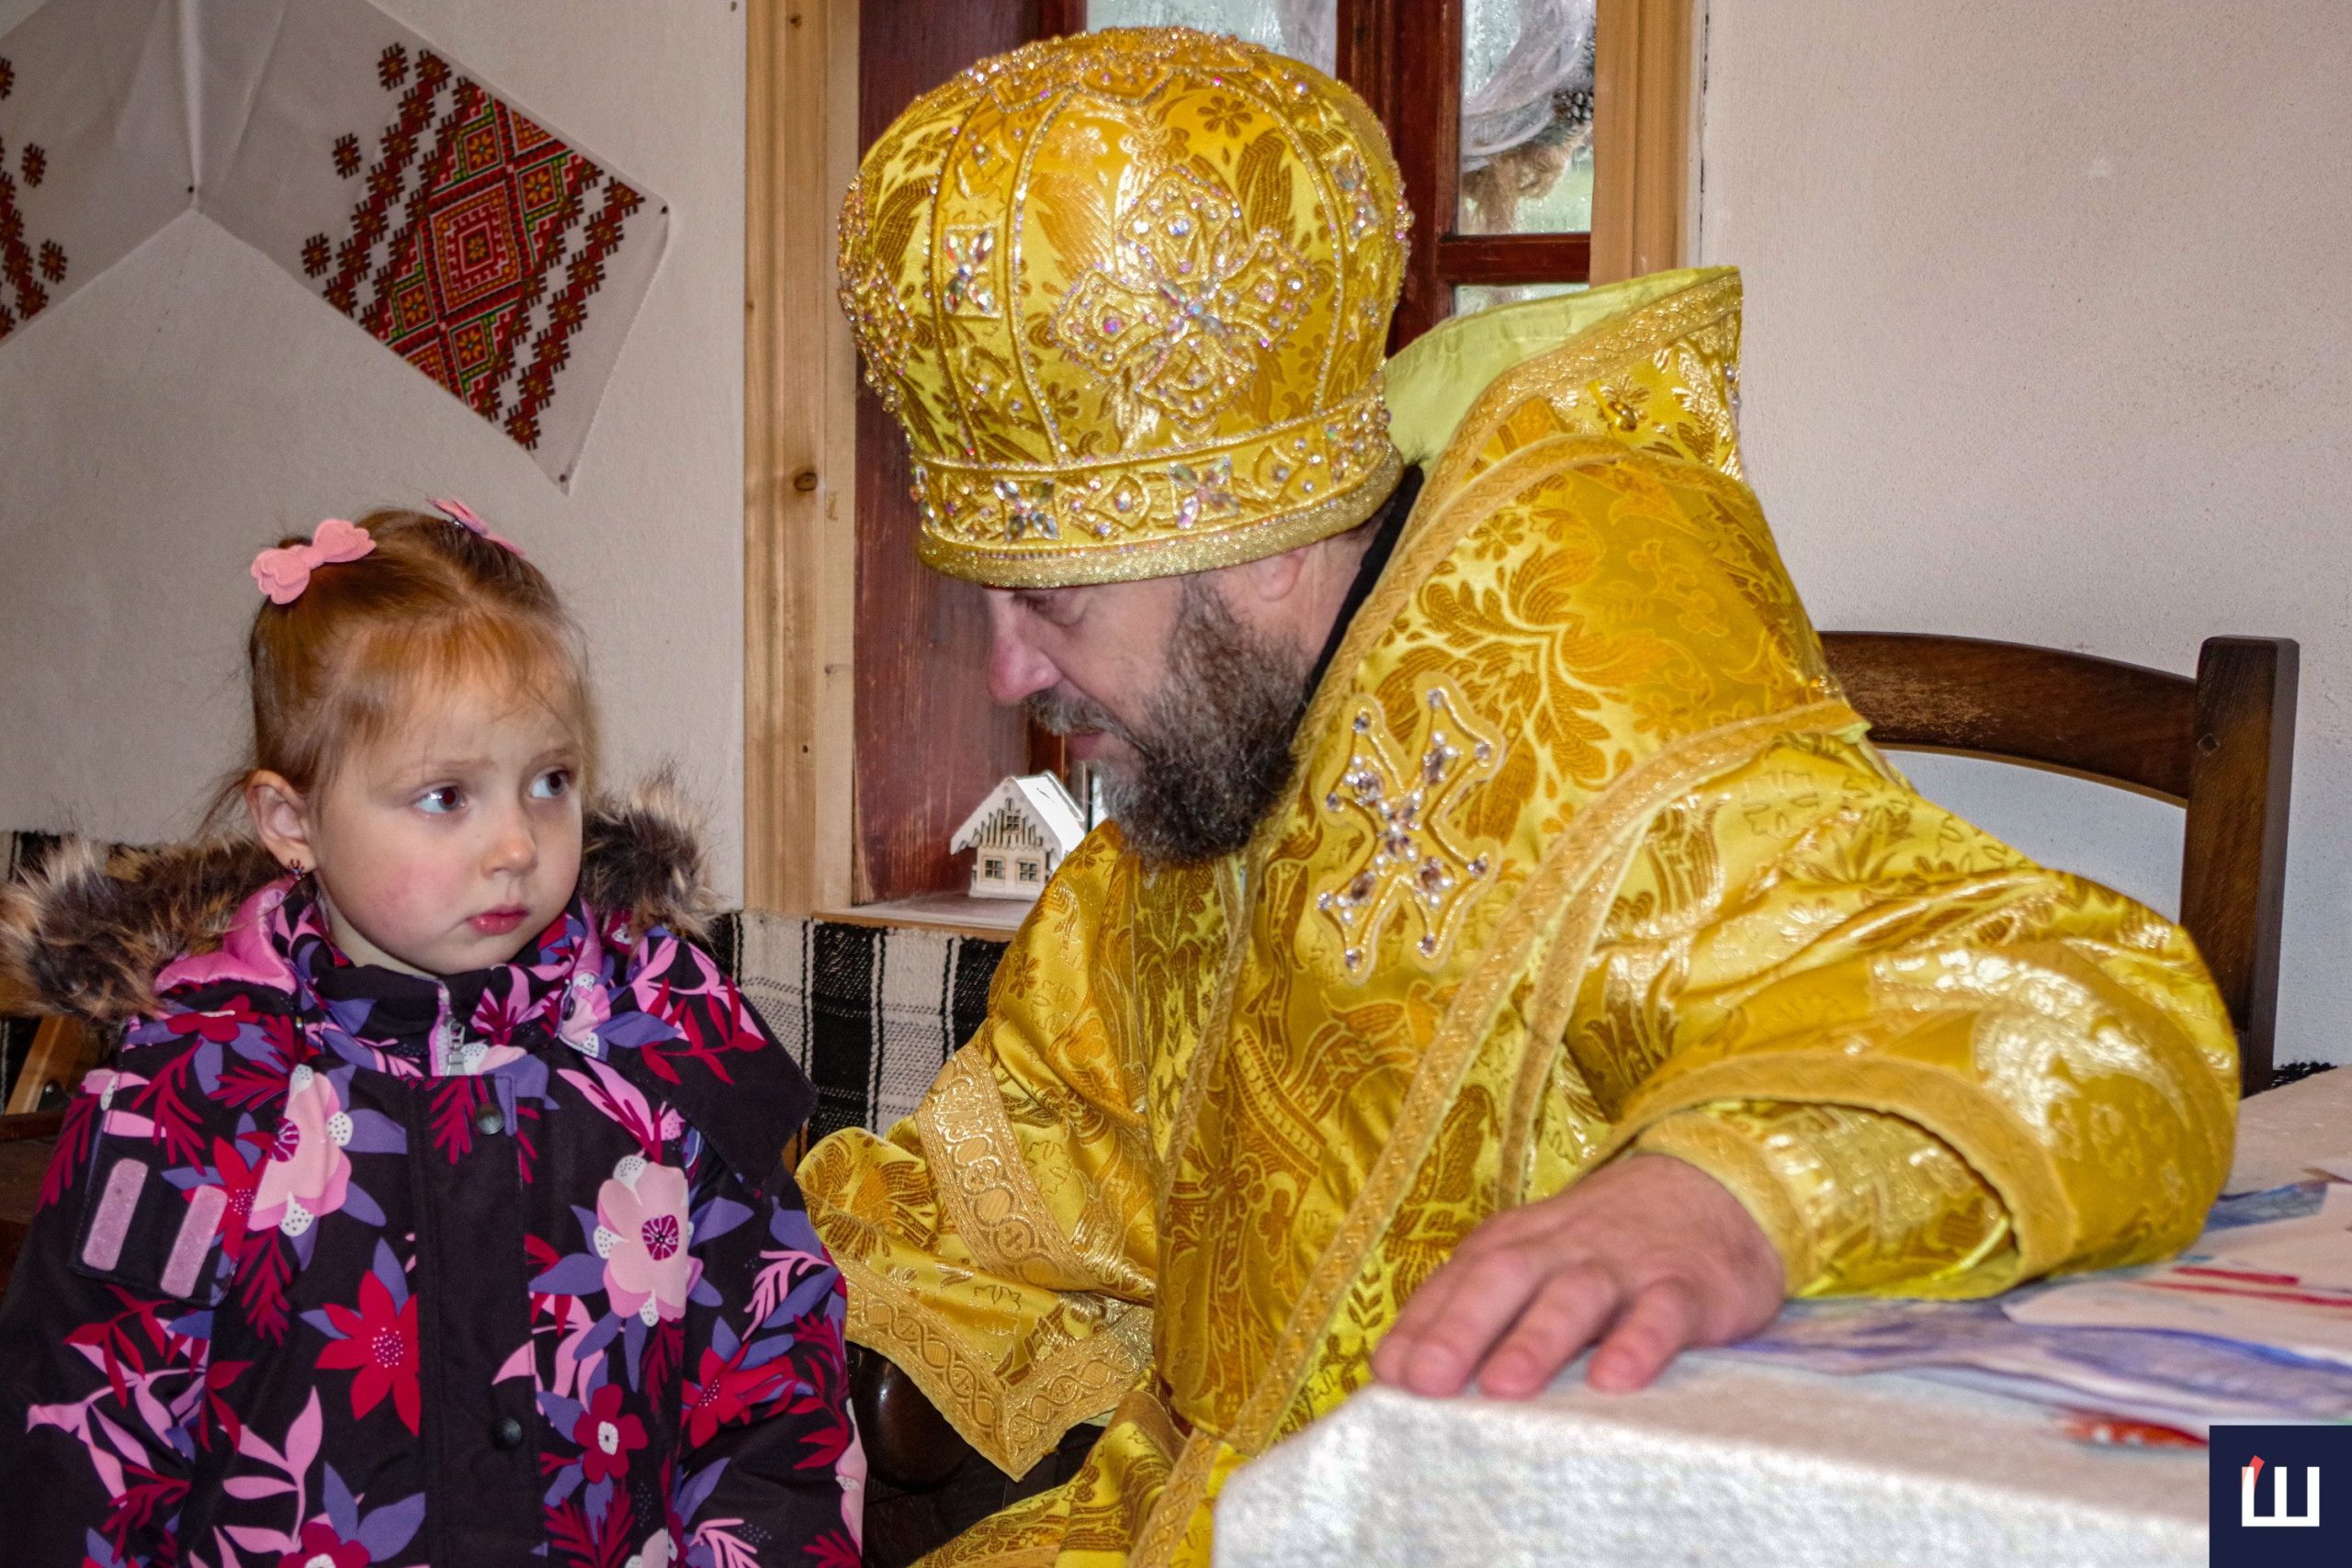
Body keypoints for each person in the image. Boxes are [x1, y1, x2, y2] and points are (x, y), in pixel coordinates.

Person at [801, 27, 2238, 1568]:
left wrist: (1725, 1194)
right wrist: (706, 1260)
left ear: (1262, 552)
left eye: (1054, 603)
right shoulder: (1212, 759)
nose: (1009, 672)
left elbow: (2088, 1013)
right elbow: (1035, 1158)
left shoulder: (1590, 697)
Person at [0, 508, 861, 1567]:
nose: (516, 844)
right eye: (446, 795)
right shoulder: (190, 1092)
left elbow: (778, 1387)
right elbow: (80, 1446)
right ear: (293, 822)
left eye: (549, 782)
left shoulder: (662, 1038)